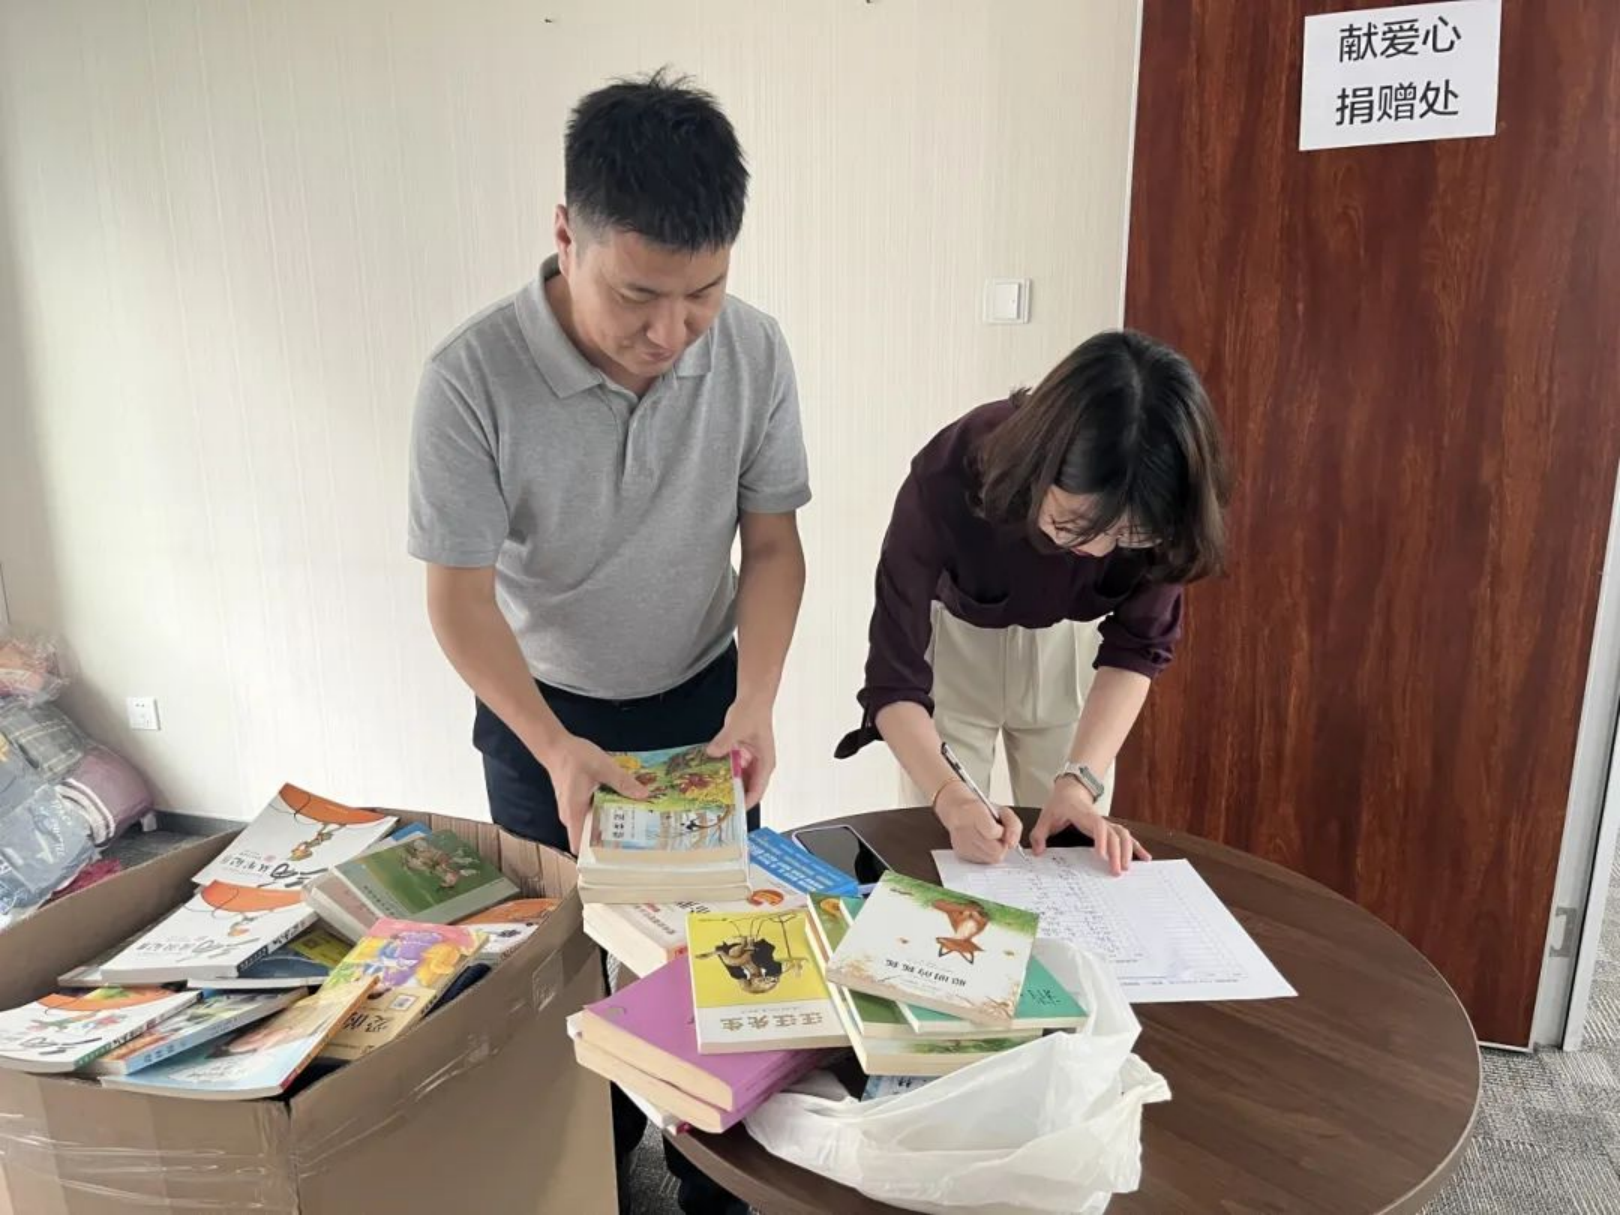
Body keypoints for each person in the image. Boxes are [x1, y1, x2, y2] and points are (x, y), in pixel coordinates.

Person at [408, 70, 808, 1215]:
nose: (669, 333)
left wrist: (757, 702)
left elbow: (771, 549)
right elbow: (460, 600)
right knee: (567, 980)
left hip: (705, 706)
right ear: (564, 234)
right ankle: (592, 1180)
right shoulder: (470, 379)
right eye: (638, 294)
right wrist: (552, 746)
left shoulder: (755, 353)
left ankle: (712, 1185)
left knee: (718, 969)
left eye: (703, 293)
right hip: (545, 718)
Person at [836, 330, 1229, 873]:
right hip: (955, 647)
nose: (1098, 550)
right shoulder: (951, 471)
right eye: (1072, 525)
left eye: (1129, 536)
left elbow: (1137, 649)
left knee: (1073, 846)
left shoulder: (1165, 506)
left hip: (1070, 654)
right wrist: (949, 798)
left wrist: (1080, 782)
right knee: (948, 846)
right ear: (1040, 468)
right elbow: (893, 679)